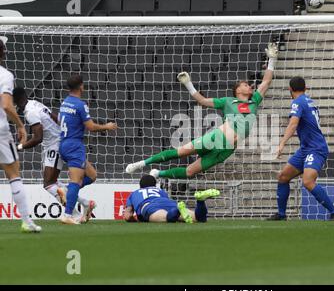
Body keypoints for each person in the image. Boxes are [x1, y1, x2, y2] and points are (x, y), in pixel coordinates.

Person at [125, 42, 279, 179]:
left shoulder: (254, 101)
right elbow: (202, 101)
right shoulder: (227, 101)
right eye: (245, 84)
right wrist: (188, 84)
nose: (249, 86)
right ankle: (141, 163)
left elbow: (266, 81)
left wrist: (272, 60)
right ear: (237, 90)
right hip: (216, 138)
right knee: (181, 152)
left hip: (227, 148)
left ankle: (158, 173)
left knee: (191, 172)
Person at [268, 77, 334, 221]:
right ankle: (282, 214)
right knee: (283, 177)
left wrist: (282, 143)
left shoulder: (297, 102)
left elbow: (293, 124)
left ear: (290, 89)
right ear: (306, 88)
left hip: (316, 148)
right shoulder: (309, 101)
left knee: (308, 181)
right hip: (306, 148)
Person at [13, 87, 94, 222]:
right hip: (59, 141)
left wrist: (20, 147)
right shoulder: (35, 103)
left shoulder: (30, 112)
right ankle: (85, 203)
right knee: (53, 183)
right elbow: (55, 118)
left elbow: (38, 138)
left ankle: (73, 213)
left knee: (49, 184)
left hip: (54, 145)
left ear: (15, 100)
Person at [58, 74, 117, 225]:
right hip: (74, 146)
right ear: (81, 87)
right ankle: (67, 214)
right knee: (76, 182)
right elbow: (90, 127)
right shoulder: (80, 104)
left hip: (64, 143)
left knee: (91, 175)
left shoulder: (64, 103)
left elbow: (60, 120)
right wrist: (107, 126)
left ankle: (69, 191)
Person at [0, 39, 41, 232]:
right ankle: (27, 221)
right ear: (3, 54)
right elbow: (7, 105)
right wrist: (20, 125)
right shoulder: (5, 75)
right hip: (0, 132)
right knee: (14, 173)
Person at [123, 174, 220, 223]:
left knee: (167, 217)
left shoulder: (134, 194)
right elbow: (163, 201)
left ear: (140, 186)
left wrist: (135, 220)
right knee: (199, 218)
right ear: (154, 184)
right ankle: (200, 201)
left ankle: (177, 210)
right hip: (168, 202)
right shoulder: (160, 191)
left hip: (149, 206)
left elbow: (127, 216)